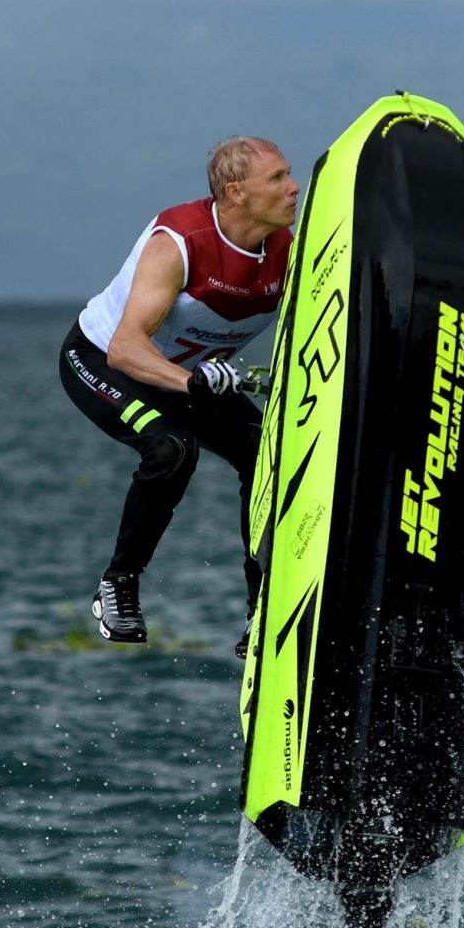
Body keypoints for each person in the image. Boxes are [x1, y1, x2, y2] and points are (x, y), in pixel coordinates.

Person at [59, 136, 298, 654]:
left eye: (289, 174)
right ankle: (118, 585)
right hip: (102, 361)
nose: (293, 188)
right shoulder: (180, 243)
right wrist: (192, 381)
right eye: (277, 178)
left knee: (267, 452)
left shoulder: (289, 251)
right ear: (235, 192)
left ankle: (264, 607)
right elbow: (125, 348)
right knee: (172, 448)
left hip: (190, 375)